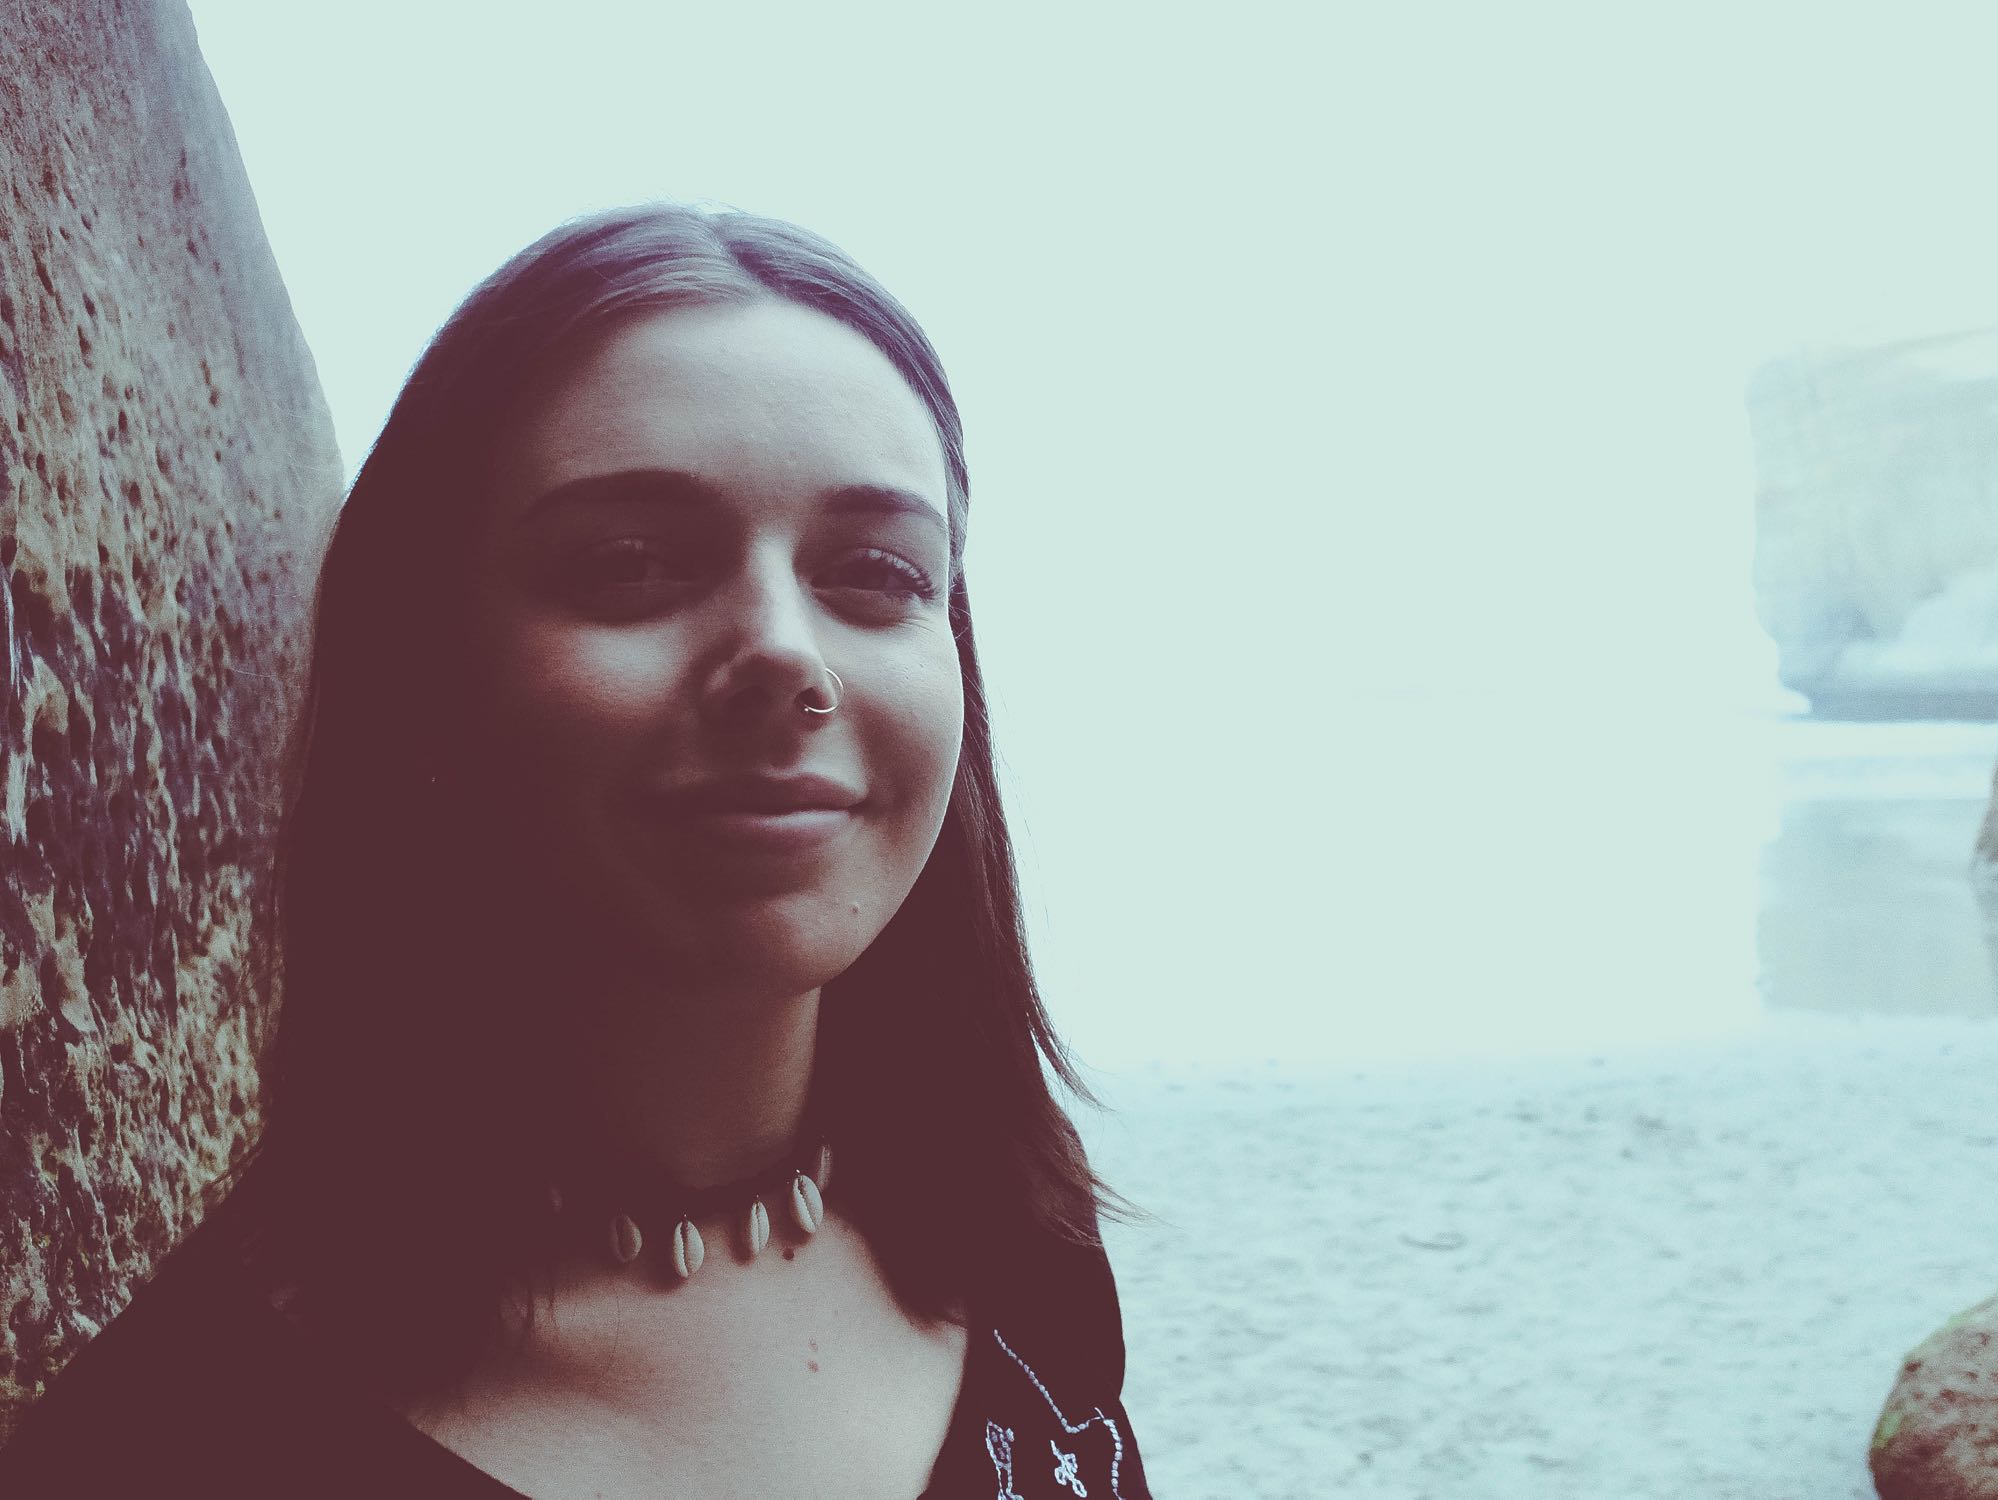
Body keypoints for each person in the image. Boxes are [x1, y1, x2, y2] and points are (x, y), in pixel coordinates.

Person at [0, 203, 1154, 1498]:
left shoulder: (1022, 1258)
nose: (783, 651)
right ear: (427, 679)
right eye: (630, 563)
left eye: (877, 570)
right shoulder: (173, 1448)